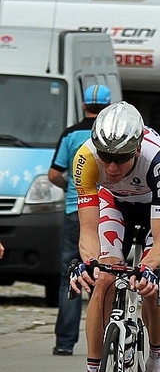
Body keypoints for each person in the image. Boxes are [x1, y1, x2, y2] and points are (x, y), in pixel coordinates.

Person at [69, 101, 160, 372]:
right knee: (103, 279)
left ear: (135, 149)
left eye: (120, 159)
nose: (113, 167)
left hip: (155, 212)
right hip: (114, 204)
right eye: (107, 158)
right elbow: (88, 231)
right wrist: (90, 263)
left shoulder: (156, 161)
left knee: (152, 283)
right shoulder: (85, 158)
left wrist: (149, 268)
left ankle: (155, 367)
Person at [47, 84, 112, 356]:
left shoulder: (71, 134)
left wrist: (71, 188)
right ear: (108, 108)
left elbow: (53, 174)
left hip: (77, 209)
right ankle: (107, 338)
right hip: (108, 212)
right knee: (106, 275)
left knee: (70, 274)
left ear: (84, 105)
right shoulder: (110, 136)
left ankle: (65, 342)